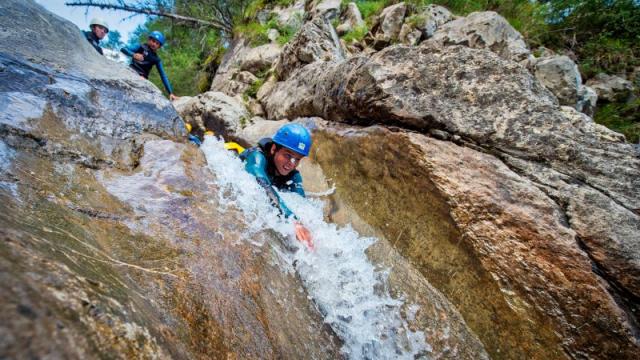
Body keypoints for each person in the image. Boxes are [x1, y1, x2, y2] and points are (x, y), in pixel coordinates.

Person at [240, 124, 314, 249]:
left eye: (297, 159)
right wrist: (292, 220)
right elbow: (263, 186)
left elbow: (302, 204)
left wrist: (306, 230)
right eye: (288, 156)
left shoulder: (293, 176)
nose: (291, 164)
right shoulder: (257, 158)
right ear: (274, 149)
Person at [120, 31, 177, 101]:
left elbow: (163, 75)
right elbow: (123, 49)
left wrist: (170, 93)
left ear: (159, 46)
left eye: (157, 43)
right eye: (153, 41)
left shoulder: (156, 59)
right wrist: (133, 55)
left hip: (142, 77)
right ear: (149, 40)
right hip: (131, 71)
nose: (154, 44)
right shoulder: (140, 46)